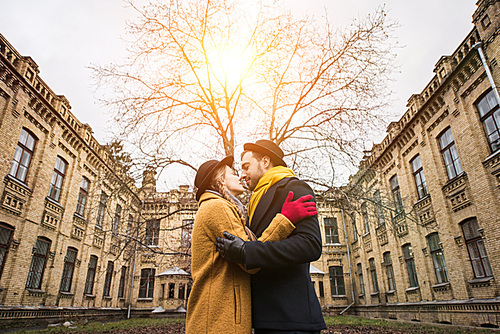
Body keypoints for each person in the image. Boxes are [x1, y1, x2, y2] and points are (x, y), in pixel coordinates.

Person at [186, 156, 318, 334]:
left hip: (221, 316)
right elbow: (250, 261)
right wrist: (285, 219)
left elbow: (247, 250)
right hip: (218, 319)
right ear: (220, 181)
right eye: (233, 173)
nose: (239, 176)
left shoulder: (222, 207)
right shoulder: (218, 207)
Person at [215, 140, 326, 334]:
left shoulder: (295, 188)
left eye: (246, 167)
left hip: (291, 318)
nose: (242, 175)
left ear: (265, 161)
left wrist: (247, 251)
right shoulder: (255, 198)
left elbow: (310, 245)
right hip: (263, 316)